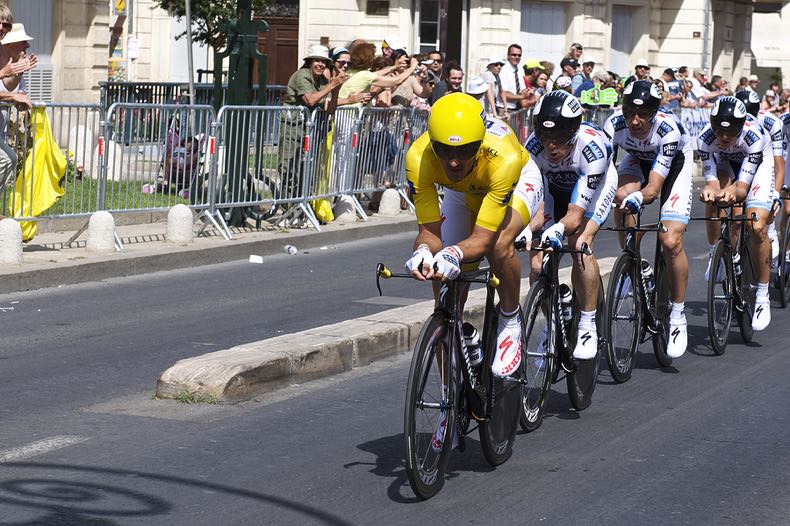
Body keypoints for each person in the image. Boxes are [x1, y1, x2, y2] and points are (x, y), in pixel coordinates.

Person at [404, 93, 539, 381]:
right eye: (445, 151)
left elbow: (483, 239)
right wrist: (424, 252)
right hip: (462, 191)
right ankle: (448, 399)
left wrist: (454, 253)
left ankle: (510, 317)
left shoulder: (505, 157)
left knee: (500, 246)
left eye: (465, 151)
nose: (454, 162)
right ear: (432, 143)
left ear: (480, 145)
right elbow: (428, 233)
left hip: (514, 185)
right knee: (443, 284)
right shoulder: (419, 157)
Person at [502, 91, 618, 358]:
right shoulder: (532, 148)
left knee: (579, 244)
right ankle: (553, 325)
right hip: (554, 188)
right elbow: (538, 207)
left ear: (573, 134)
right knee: (535, 265)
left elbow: (576, 215)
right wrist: (527, 230)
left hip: (592, 187)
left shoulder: (592, 148)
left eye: (558, 140)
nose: (551, 147)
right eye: (545, 138)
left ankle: (588, 322)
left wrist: (558, 229)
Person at [603, 80, 695, 358]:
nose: (635, 120)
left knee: (670, 240)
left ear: (654, 113)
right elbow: (604, 174)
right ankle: (634, 262)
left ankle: (678, 313)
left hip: (673, 165)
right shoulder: (615, 124)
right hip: (637, 159)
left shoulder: (667, 130)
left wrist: (639, 197)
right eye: (630, 111)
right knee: (620, 196)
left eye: (642, 115)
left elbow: (653, 190)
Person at [697, 97, 775, 331]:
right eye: (718, 129)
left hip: (757, 166)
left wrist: (733, 192)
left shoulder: (753, 135)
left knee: (757, 226)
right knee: (714, 200)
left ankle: (762, 293)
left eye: (729, 132)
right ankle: (716, 253)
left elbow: (741, 188)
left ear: (740, 128)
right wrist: (712, 191)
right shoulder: (705, 138)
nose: (722, 137)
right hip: (726, 164)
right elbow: (712, 182)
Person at [278, 45, 350, 199]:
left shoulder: (322, 80)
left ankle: (302, 206)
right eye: (317, 60)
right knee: (289, 167)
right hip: (293, 127)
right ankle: (287, 208)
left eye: (323, 62)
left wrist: (336, 89)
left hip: (310, 129)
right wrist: (332, 85)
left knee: (307, 169)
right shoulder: (302, 75)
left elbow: (329, 109)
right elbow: (310, 100)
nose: (320, 64)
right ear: (310, 62)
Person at [734, 89, 784, 269]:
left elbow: (778, 164)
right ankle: (729, 255)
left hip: (764, 163)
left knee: (761, 219)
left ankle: (770, 230)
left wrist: (776, 193)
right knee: (735, 216)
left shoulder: (772, 123)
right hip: (739, 161)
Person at [500, 44, 529, 112]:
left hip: (516, 108)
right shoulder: (503, 70)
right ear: (508, 55)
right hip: (504, 109)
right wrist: (521, 97)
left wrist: (528, 92)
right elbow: (504, 93)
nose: (517, 57)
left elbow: (521, 90)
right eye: (514, 55)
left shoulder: (519, 71)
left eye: (519, 55)